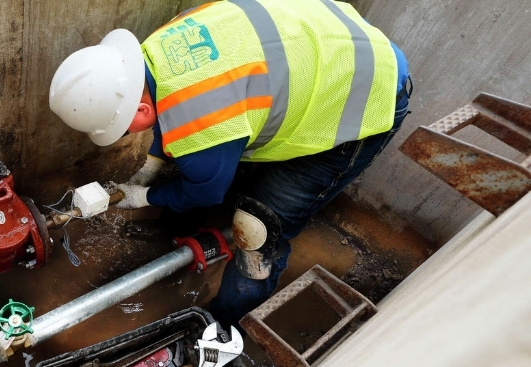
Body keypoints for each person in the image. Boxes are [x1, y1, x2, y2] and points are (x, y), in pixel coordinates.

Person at [48, 0, 411, 330]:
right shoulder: (157, 47)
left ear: (140, 110)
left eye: (123, 126)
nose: (126, 133)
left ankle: (219, 327)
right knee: (204, 167)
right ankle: (174, 236)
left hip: (368, 93)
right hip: (332, 38)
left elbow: (205, 188)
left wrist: (147, 196)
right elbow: (175, 107)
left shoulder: (202, 123)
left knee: (256, 230)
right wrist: (152, 166)